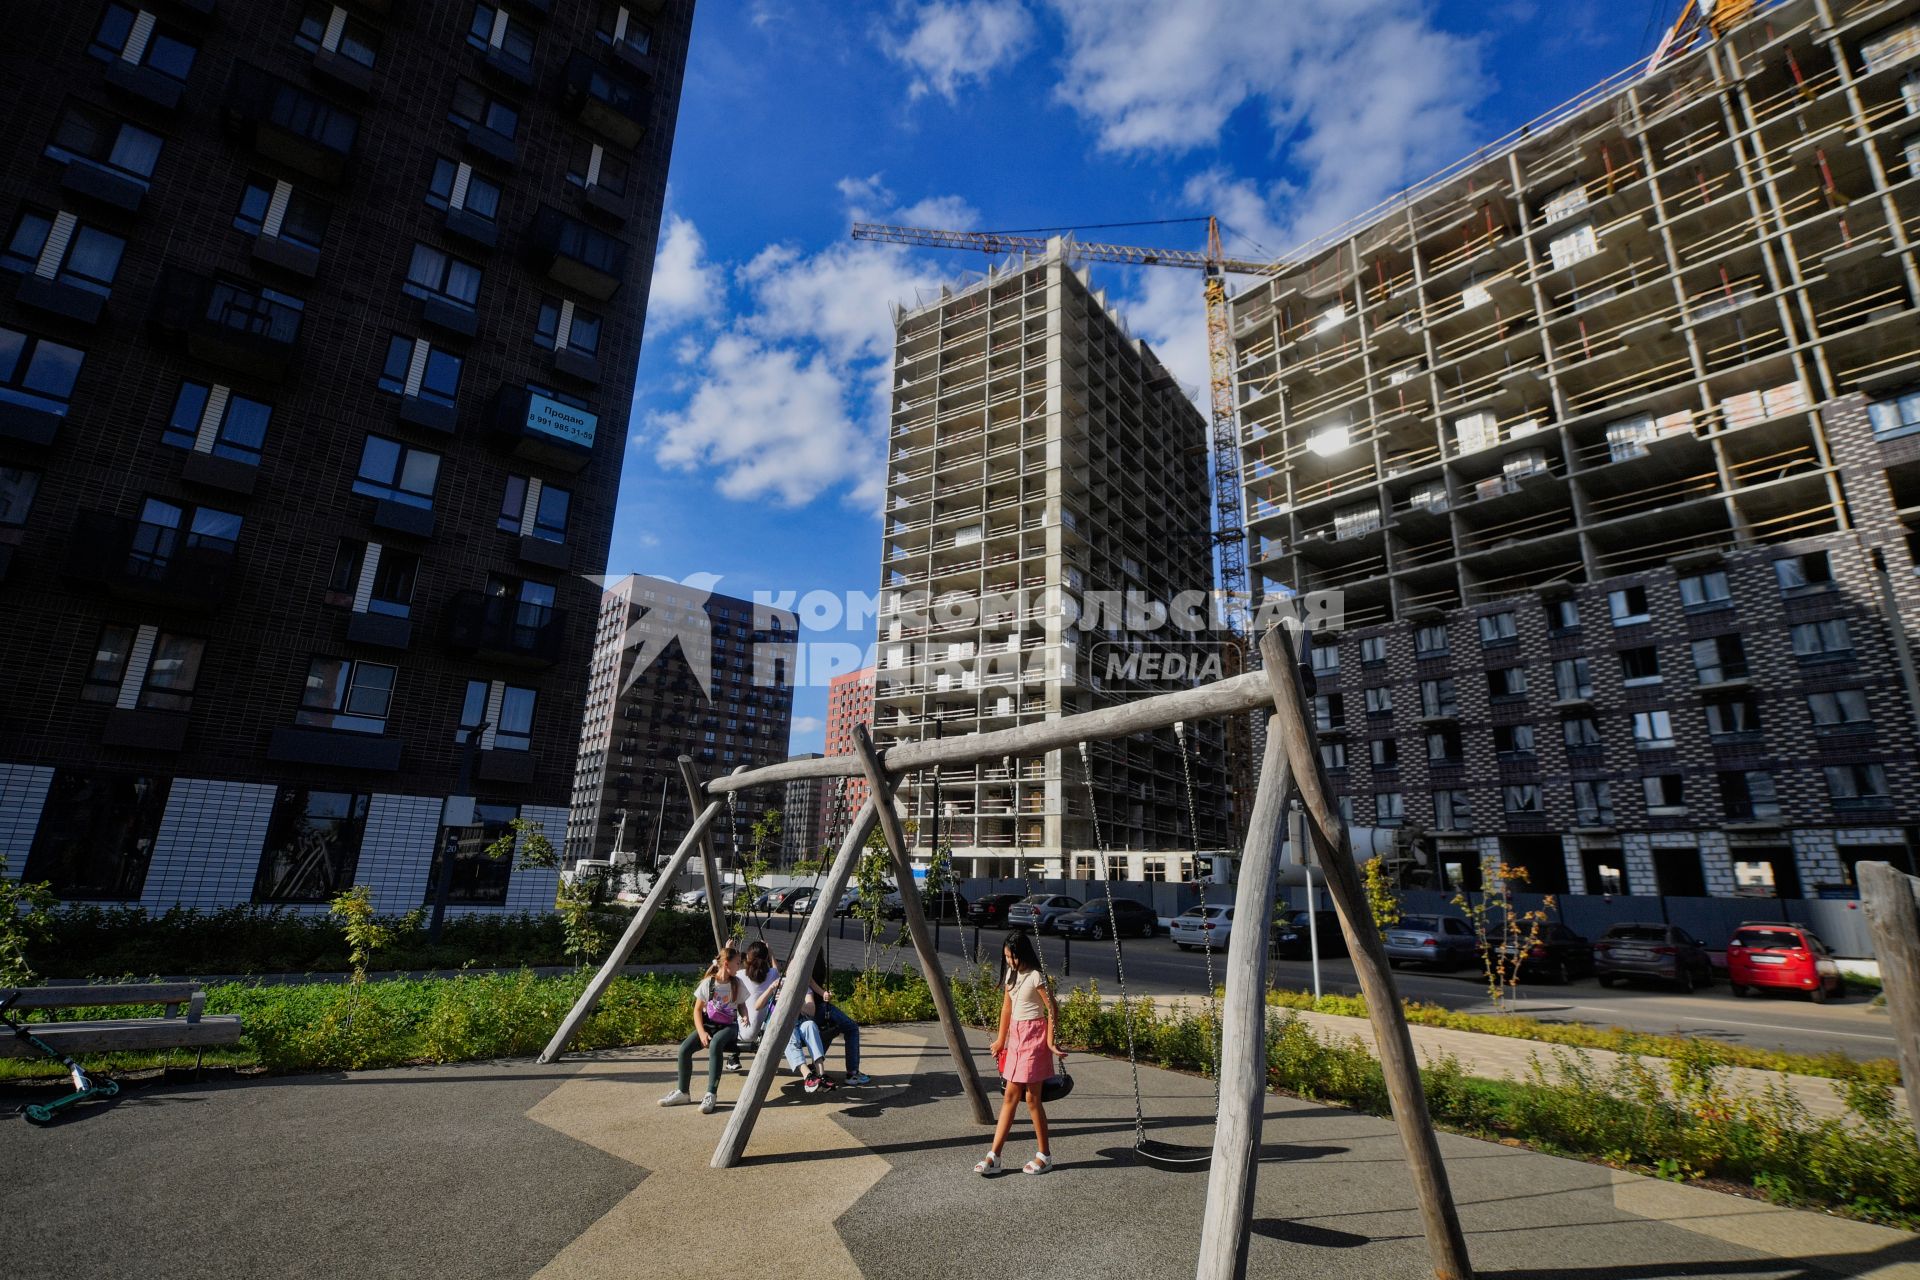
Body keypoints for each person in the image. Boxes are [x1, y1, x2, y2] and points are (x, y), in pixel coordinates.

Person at [975, 932, 1062, 1175]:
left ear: (1022, 953)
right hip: (1016, 1038)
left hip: (1034, 1038)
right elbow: (1006, 1008)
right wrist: (1001, 1040)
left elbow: (1053, 1008)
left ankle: (1044, 1155)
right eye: (1006, 957)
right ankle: (994, 1156)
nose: (1009, 961)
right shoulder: (1011, 976)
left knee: (1033, 1099)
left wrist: (1051, 1041)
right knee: (1010, 1096)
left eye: (1012, 956)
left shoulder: (1036, 976)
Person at [661, 943, 748, 1114]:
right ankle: (683, 1092)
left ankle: (711, 1094)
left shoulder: (737, 983)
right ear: (726, 964)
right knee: (685, 1049)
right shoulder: (709, 984)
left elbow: (742, 1005)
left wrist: (745, 1015)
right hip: (709, 1025)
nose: (740, 966)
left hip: (729, 1027)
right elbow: (696, 1010)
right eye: (737, 963)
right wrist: (701, 1032)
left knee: (716, 1044)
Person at [808, 950, 870, 1086]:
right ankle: (852, 1073)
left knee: (830, 1029)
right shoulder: (809, 956)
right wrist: (822, 992)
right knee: (851, 1028)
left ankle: (815, 1066)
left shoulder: (801, 955)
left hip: (808, 1009)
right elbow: (808, 979)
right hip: (817, 1007)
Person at [727, 939, 779, 1073]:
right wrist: (771, 953)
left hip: (744, 1033)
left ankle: (733, 1055)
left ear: (748, 957)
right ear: (766, 957)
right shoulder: (772, 974)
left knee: (736, 1003)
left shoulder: (739, 975)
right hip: (764, 1033)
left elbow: (725, 971)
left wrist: (729, 951)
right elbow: (777, 970)